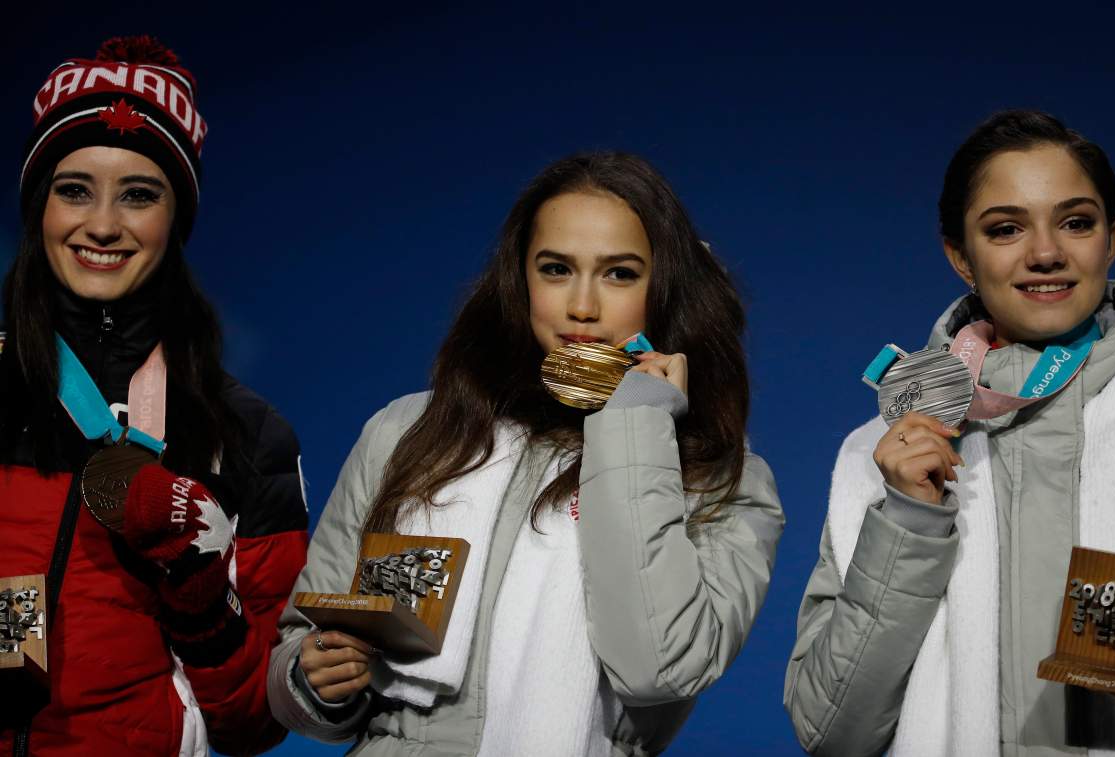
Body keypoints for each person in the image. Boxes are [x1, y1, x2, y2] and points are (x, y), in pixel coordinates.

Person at [268, 151, 784, 755]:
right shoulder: (410, 431)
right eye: (556, 269)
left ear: (664, 289)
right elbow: (301, 654)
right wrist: (314, 679)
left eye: (619, 273)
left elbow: (656, 667)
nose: (583, 306)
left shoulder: (719, 478)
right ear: (520, 280)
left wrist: (636, 423)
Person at [785, 109, 1115, 756]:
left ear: (1112, 239)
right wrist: (906, 521)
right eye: (1005, 228)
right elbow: (831, 732)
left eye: (1076, 222)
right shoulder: (878, 450)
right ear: (960, 256)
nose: (1045, 252)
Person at [0, 36, 308, 755]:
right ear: (38, 205)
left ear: (177, 218)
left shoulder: (247, 433)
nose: (102, 224)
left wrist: (203, 594)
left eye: (139, 194)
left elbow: (254, 723)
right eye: (73, 189)